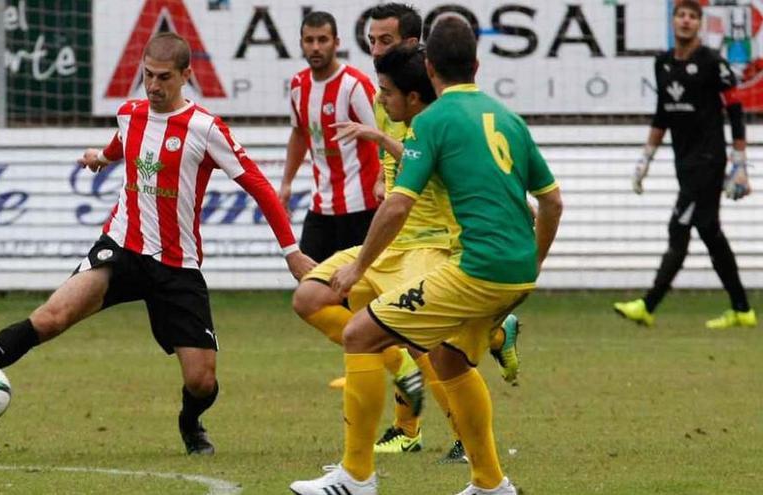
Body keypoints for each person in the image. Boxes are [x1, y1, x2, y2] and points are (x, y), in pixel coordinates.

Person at [0, 32, 316, 456]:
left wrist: (290, 252)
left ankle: (190, 423)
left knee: (201, 380)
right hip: (121, 248)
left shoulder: (205, 128)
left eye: (164, 77)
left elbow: (257, 185)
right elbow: (121, 144)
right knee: (51, 316)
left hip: (176, 264)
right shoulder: (130, 113)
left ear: (187, 75)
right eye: (147, 75)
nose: (153, 86)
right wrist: (101, 157)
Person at [290, 17, 562, 495]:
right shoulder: (508, 118)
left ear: (429, 68)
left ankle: (355, 478)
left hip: (472, 268)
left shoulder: (431, 121)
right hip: (516, 271)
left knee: (359, 333)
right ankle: (490, 484)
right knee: (451, 361)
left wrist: (357, 267)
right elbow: (552, 202)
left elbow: (397, 205)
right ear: (476, 65)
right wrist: (532, 265)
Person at [614, 0, 756, 330]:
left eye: (693, 16)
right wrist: (644, 160)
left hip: (709, 161)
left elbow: (735, 109)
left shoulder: (712, 62)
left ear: (700, 24)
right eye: (681, 15)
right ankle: (742, 309)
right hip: (685, 163)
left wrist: (740, 162)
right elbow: (663, 113)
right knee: (710, 232)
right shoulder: (662, 63)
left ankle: (647, 305)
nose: (686, 21)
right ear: (673, 21)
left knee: (679, 228)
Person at [279, 11, 381, 263]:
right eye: (309, 40)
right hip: (321, 203)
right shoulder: (298, 85)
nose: (315, 47)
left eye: (322, 40)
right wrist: (286, 183)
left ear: (336, 43)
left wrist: (383, 181)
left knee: (358, 288)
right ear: (301, 43)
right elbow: (299, 134)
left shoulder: (355, 85)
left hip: (363, 205)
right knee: (308, 282)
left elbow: (383, 138)